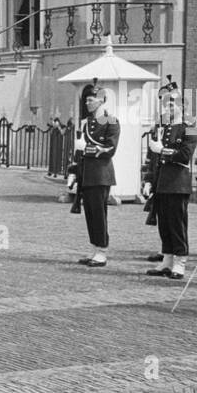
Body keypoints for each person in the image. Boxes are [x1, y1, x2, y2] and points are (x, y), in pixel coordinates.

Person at [142, 90, 196, 280]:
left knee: (177, 223)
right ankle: (167, 259)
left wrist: (163, 150)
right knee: (164, 223)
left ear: (183, 106)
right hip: (161, 182)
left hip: (177, 183)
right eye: (166, 104)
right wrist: (148, 180)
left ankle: (180, 261)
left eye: (172, 104)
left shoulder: (190, 126)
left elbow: (184, 155)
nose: (168, 108)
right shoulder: (162, 127)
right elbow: (152, 158)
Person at [74, 82, 120, 267]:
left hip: (101, 174)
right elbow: (79, 151)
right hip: (87, 173)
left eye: (91, 100)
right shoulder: (86, 123)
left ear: (101, 100)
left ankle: (102, 250)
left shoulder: (111, 121)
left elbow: (110, 148)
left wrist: (88, 148)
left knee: (99, 214)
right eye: (86, 100)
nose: (87, 103)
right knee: (90, 213)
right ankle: (94, 247)